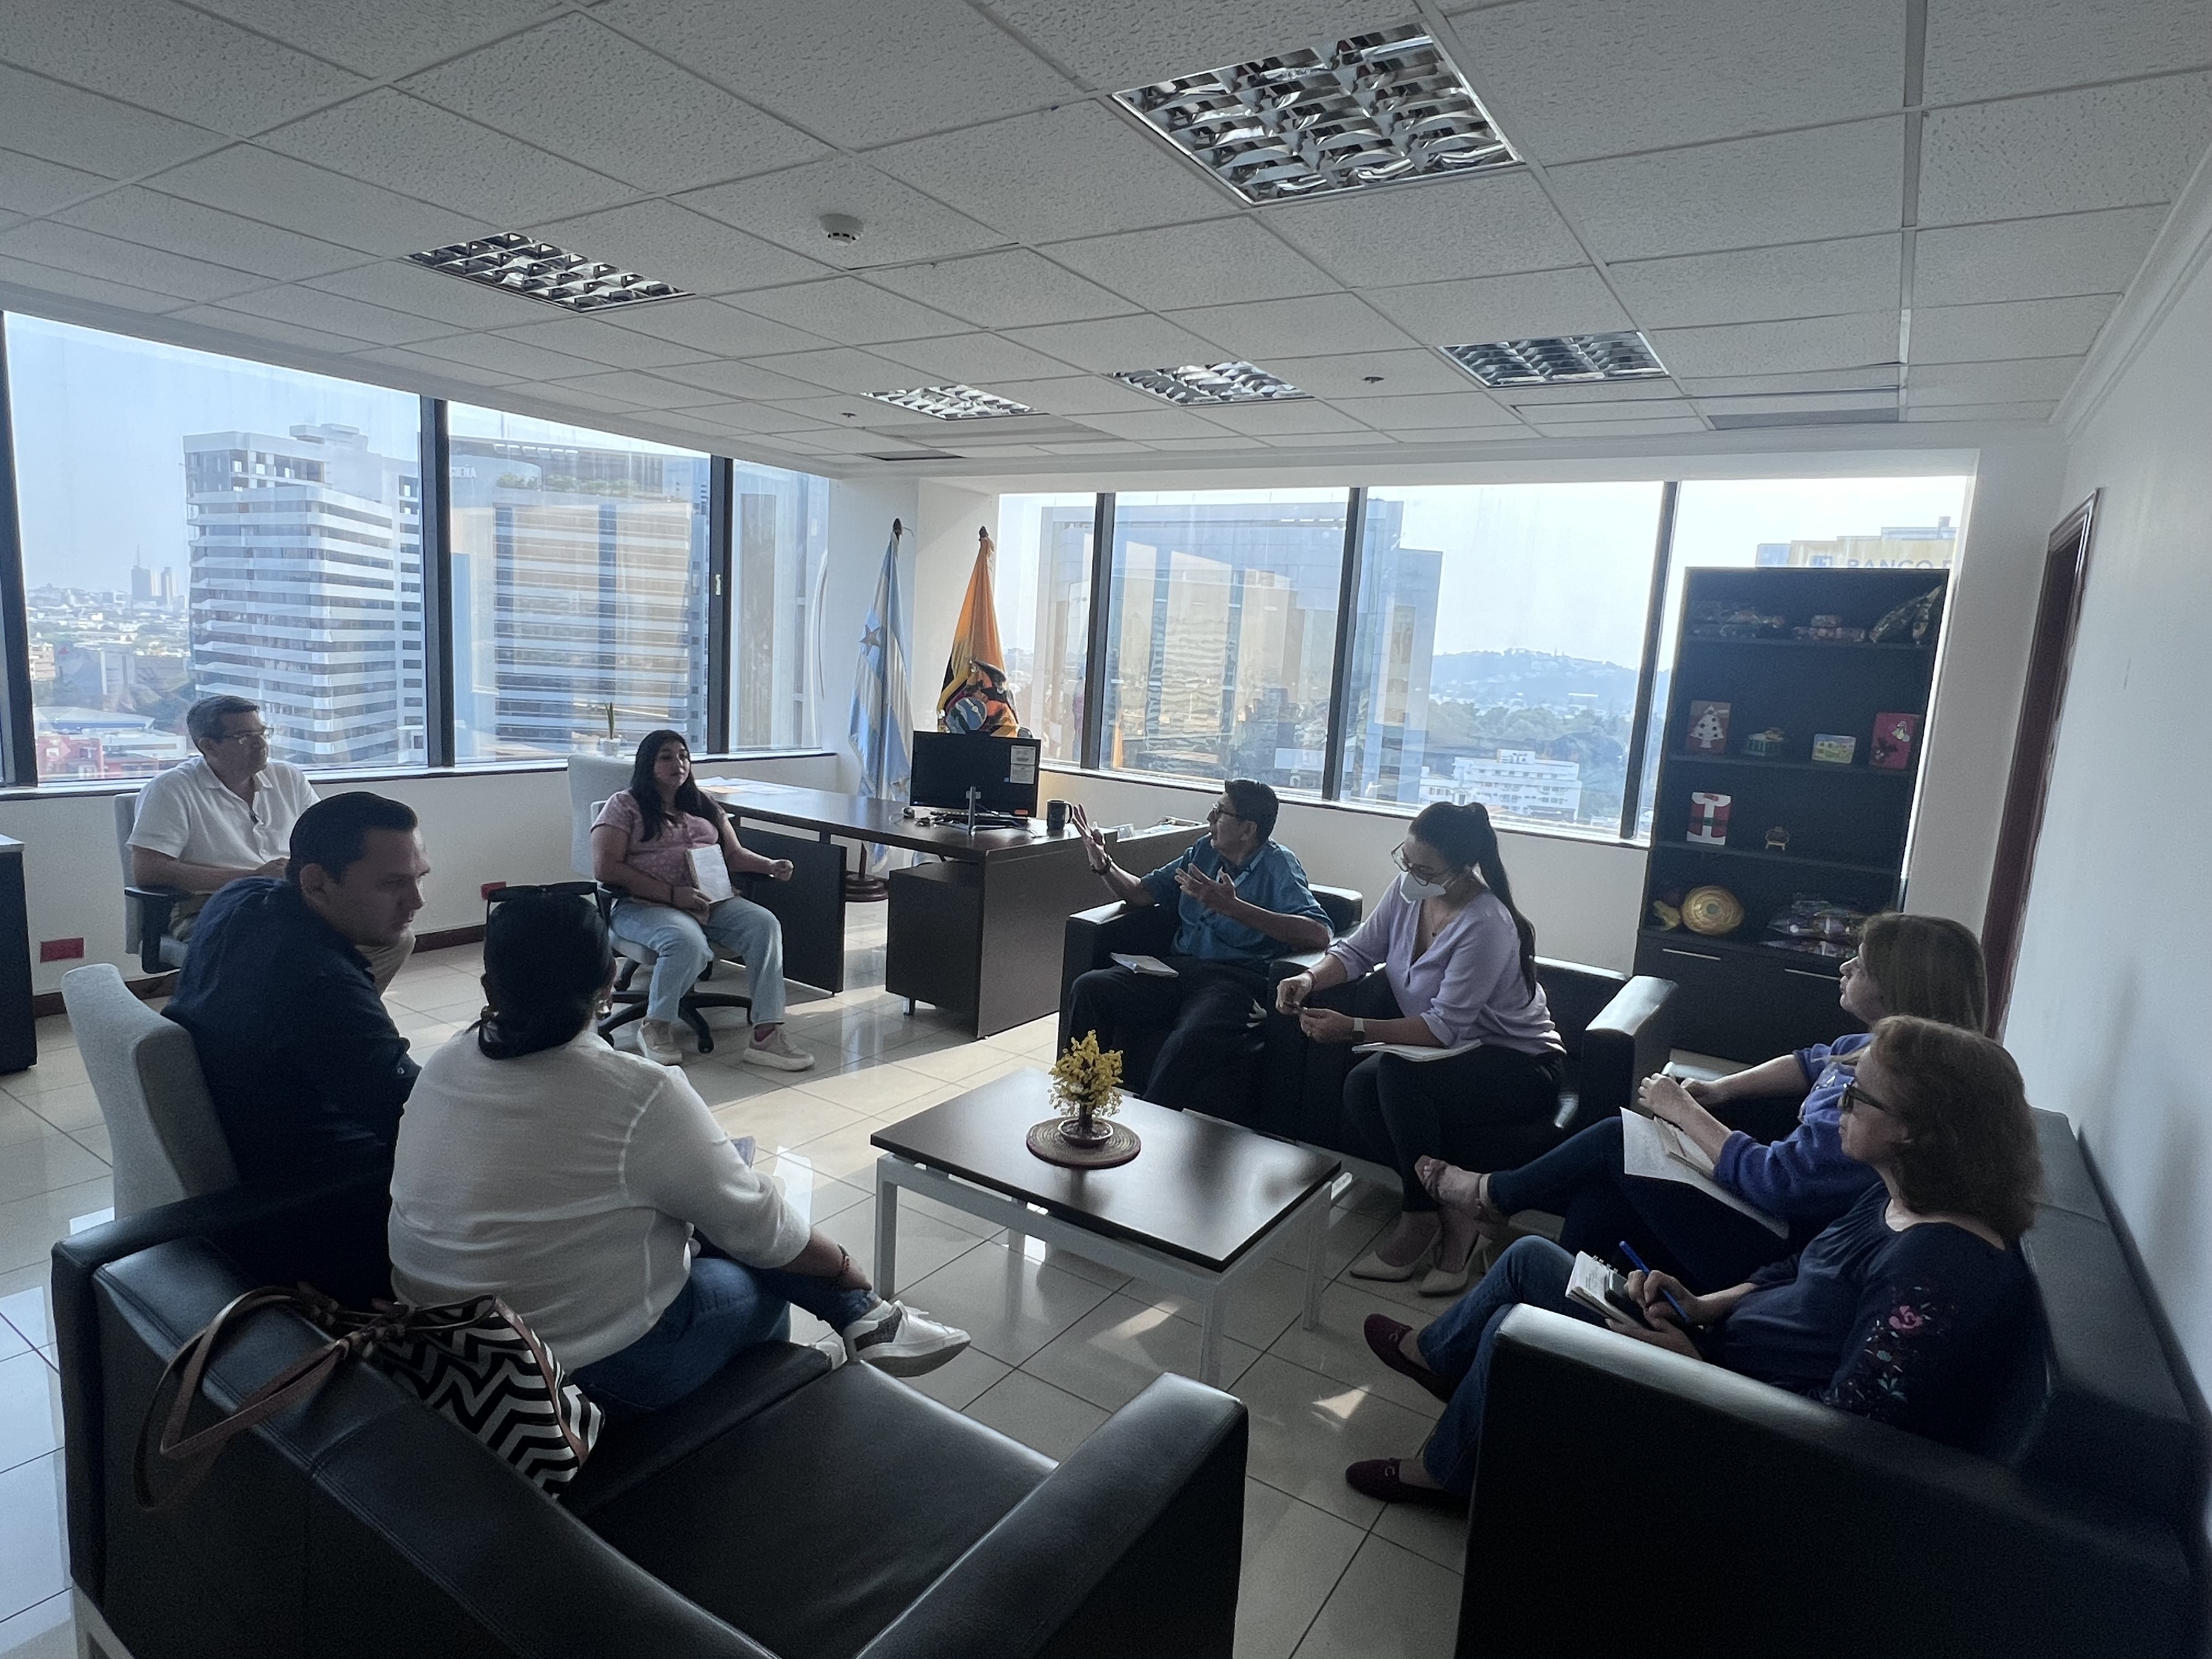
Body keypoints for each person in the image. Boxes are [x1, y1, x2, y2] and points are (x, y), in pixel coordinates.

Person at [1347, 1015, 2041, 1507]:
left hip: (1726, 1405)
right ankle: (1443, 1362)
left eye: (1858, 1097)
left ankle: (1448, 1474)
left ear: (1915, 1132)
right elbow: (1791, 1271)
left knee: (1523, 1317)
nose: (1840, 1109)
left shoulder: (1937, 1272)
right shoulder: (1897, 1195)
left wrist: (1694, 1366)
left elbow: (1842, 1437)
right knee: (1532, 1257)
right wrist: (1702, 1304)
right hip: (1712, 1348)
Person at [387, 889, 969, 1413]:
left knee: (701, 1205)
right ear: (610, 983)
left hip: (443, 1344)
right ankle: (802, 1384)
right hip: (581, 1374)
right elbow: (763, 1231)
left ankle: (867, 1321)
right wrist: (846, 1269)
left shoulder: (446, 1062)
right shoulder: (636, 1092)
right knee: (756, 1273)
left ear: (490, 988)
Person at [1424, 912, 1989, 1293]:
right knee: (1599, 1198)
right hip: (1768, 1210)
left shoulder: (1884, 1095)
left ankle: (1489, 1196)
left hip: (1776, 1241)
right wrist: (1723, 1089)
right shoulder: (1874, 1050)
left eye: (1860, 965)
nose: (1844, 968)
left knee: (1619, 1138)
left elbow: (1778, 1181)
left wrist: (1685, 1112)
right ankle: (1558, 1319)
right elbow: (1807, 1061)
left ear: (1896, 988)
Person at [1273, 802, 1563, 1297]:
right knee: (1361, 1084)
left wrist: (1353, 1028)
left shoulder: (1487, 923)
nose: (1412, 875)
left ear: (1461, 869)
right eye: (1406, 861)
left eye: (1425, 870)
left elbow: (1443, 1028)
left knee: (1395, 1074)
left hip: (1521, 1064)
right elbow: (1359, 951)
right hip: (1457, 1053)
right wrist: (1308, 979)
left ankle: (1419, 1218)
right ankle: (1452, 1207)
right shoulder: (1409, 893)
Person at [165, 791, 428, 1188]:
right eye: (392, 884)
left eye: (420, 878)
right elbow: (417, 1119)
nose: (417, 901)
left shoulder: (237, 897)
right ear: (316, 882)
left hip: (253, 1129)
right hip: (320, 1191)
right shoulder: (319, 984)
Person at [1064, 780, 1331, 1109]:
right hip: (1176, 971)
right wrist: (1103, 863)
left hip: (1233, 982)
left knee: (1190, 1037)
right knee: (1091, 988)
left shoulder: (1279, 865)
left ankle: (1151, 1122)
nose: (1209, 818)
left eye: (1220, 812)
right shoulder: (1204, 851)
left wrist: (1234, 907)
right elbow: (1141, 893)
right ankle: (1081, 1105)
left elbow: (1319, 933)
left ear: (1248, 829)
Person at [127, 695, 416, 992]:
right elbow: (150, 870)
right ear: (209, 746)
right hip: (210, 906)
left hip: (294, 897)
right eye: (244, 737)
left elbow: (324, 840)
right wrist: (251, 878)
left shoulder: (287, 777)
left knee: (393, 938)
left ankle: (344, 1010)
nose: (260, 744)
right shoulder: (172, 789)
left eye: (262, 733)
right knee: (289, 945)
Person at [591, 730, 814, 1071]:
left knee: (764, 925)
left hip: (709, 901)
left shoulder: (703, 804)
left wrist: (770, 865)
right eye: (666, 757)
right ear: (647, 764)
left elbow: (734, 854)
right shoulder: (624, 805)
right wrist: (672, 894)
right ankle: (656, 1025)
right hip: (642, 905)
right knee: (687, 943)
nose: (678, 763)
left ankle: (767, 1035)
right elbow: (606, 867)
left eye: (683, 756)